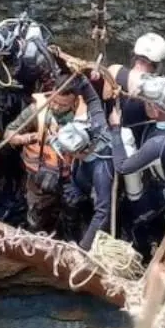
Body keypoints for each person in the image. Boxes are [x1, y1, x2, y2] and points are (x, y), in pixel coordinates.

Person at [108, 76, 165, 256]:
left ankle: (143, 255)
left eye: (146, 104)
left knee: (131, 219)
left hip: (164, 197)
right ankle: (156, 235)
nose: (144, 106)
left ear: (155, 109)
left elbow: (122, 167)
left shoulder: (156, 144)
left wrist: (115, 130)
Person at [5, 74, 89, 233]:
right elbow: (9, 134)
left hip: (69, 179)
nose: (56, 107)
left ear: (75, 102)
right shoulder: (38, 110)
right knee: (36, 215)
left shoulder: (84, 120)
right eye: (55, 101)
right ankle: (36, 231)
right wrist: (32, 137)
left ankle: (69, 231)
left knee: (72, 210)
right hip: (38, 177)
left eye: (63, 105)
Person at [0, 14, 64, 143]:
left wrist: (38, 121)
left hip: (33, 102)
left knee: (21, 141)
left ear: (4, 53)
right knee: (4, 137)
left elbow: (53, 91)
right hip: (5, 101)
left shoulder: (37, 58)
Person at [48, 80, 114, 251]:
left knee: (95, 214)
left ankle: (84, 240)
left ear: (82, 150)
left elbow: (103, 213)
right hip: (81, 184)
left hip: (95, 193)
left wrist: (83, 249)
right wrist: (79, 76)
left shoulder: (102, 169)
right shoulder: (97, 121)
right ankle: (69, 232)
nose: (69, 155)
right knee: (69, 201)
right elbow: (91, 97)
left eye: (71, 153)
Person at [103, 32, 165, 142]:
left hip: (109, 136)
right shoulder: (158, 90)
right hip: (137, 146)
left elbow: (104, 97)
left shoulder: (113, 70)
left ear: (135, 55)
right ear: (158, 64)